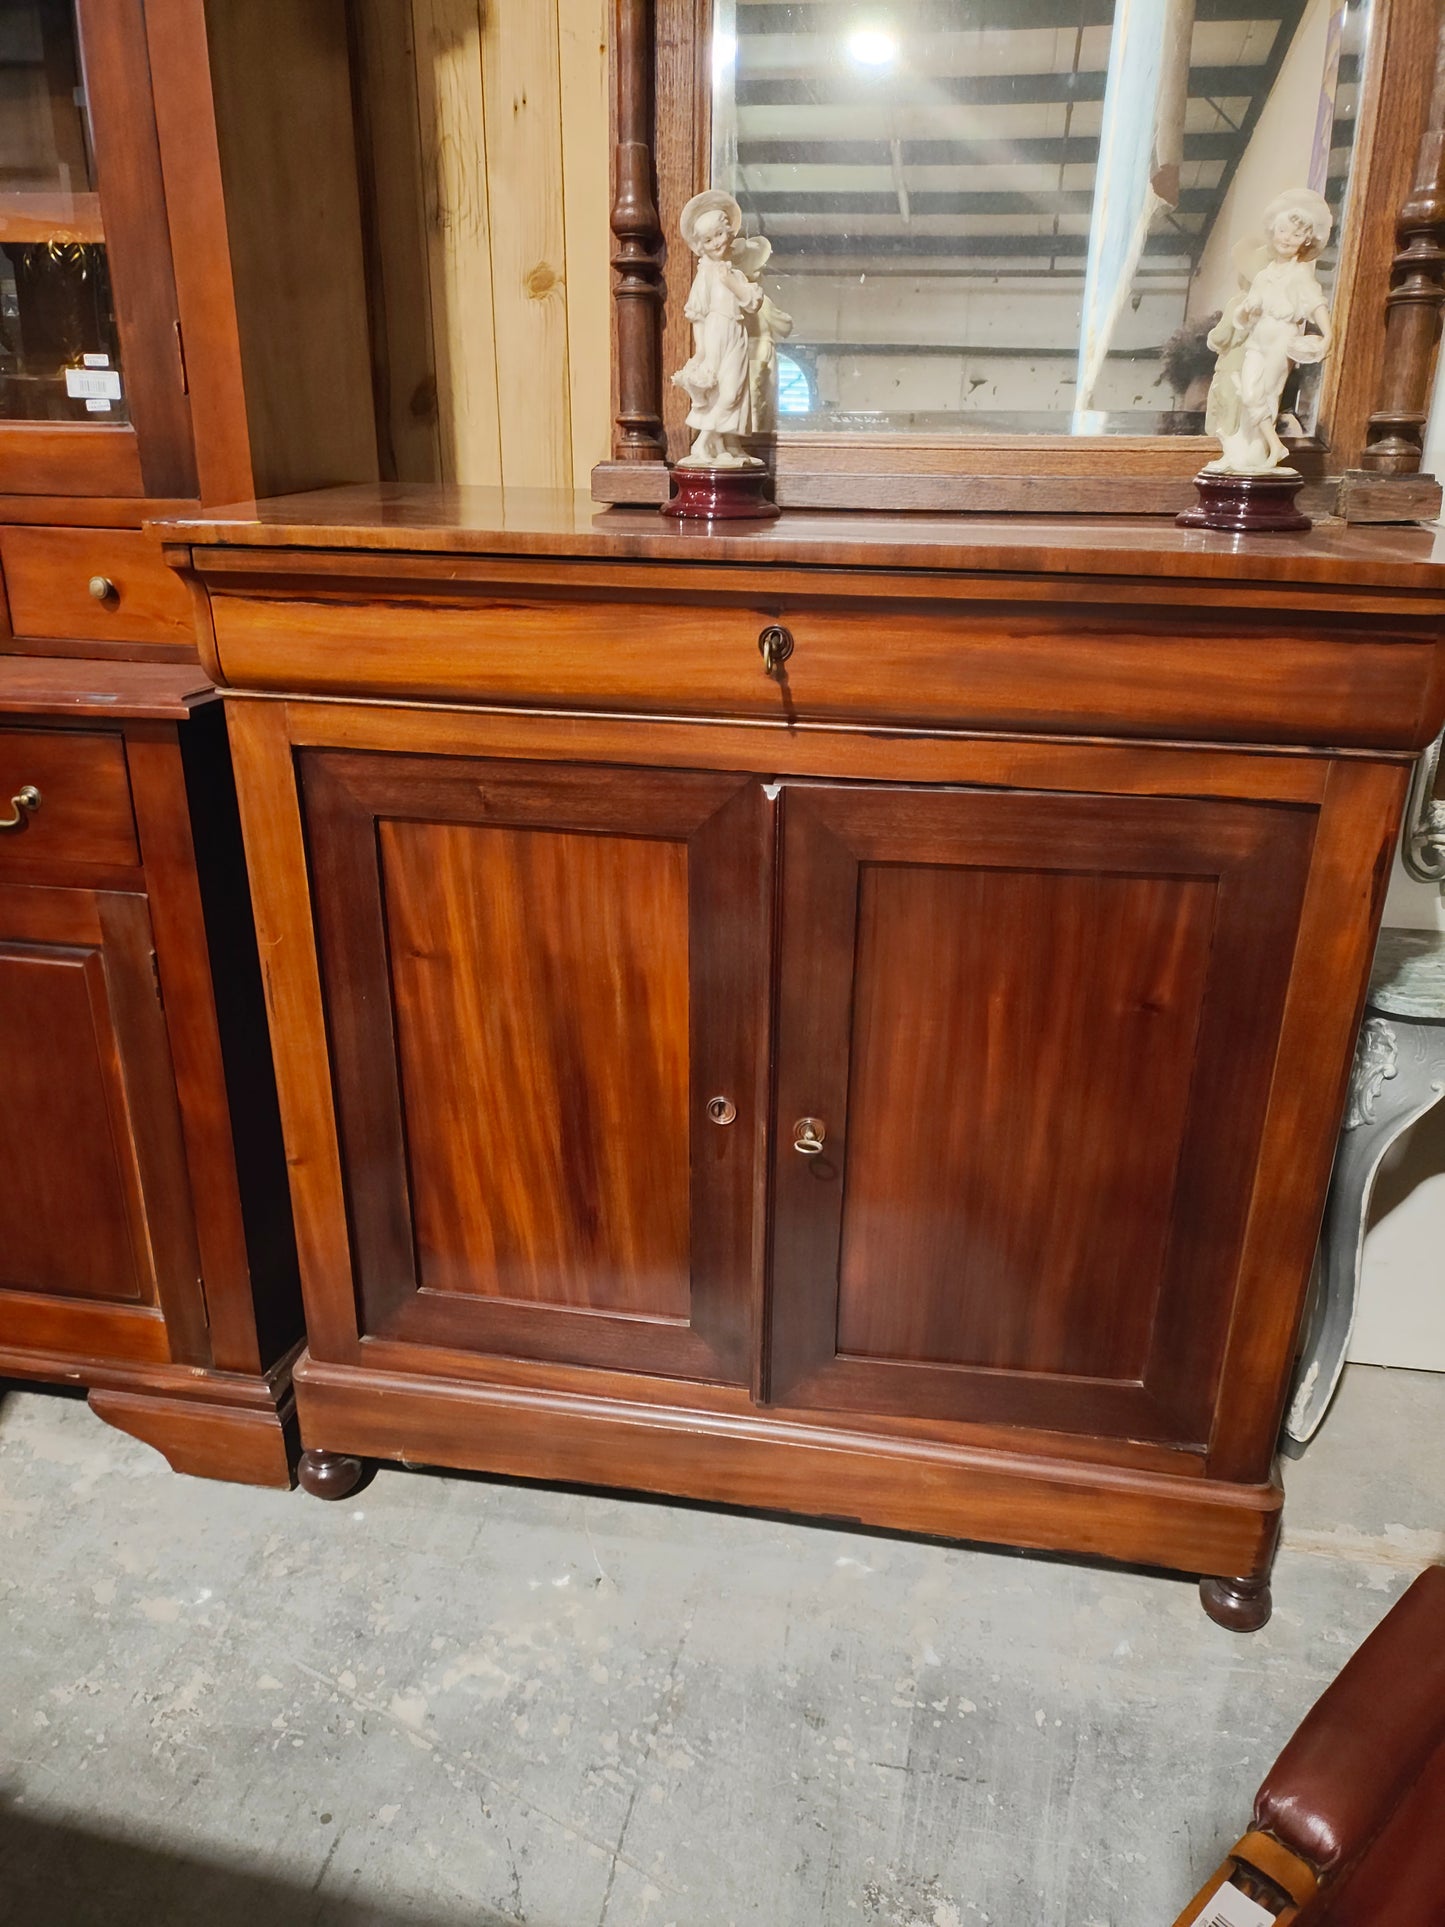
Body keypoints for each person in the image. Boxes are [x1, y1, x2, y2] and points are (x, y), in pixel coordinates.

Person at [1203, 187, 1333, 475]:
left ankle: (1256, 451)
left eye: (1296, 234)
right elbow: (1244, 314)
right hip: (1258, 338)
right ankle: (1269, 446)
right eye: (1283, 231)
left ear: (1306, 241)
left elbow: (1316, 304)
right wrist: (1246, 311)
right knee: (1248, 392)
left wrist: (1328, 335)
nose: (1287, 238)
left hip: (1281, 337)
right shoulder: (1264, 274)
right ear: (1274, 232)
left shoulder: (1300, 275)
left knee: (1267, 393)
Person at [671, 190, 764, 468]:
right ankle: (702, 442)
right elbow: (698, 314)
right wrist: (701, 351)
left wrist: (733, 282)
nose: (716, 244)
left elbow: (752, 303)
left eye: (719, 235)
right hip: (716, 333)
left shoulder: (733, 274)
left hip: (736, 334)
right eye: (708, 240)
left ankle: (726, 444)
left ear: (729, 233)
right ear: (700, 245)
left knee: (736, 388)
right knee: (724, 391)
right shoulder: (706, 274)